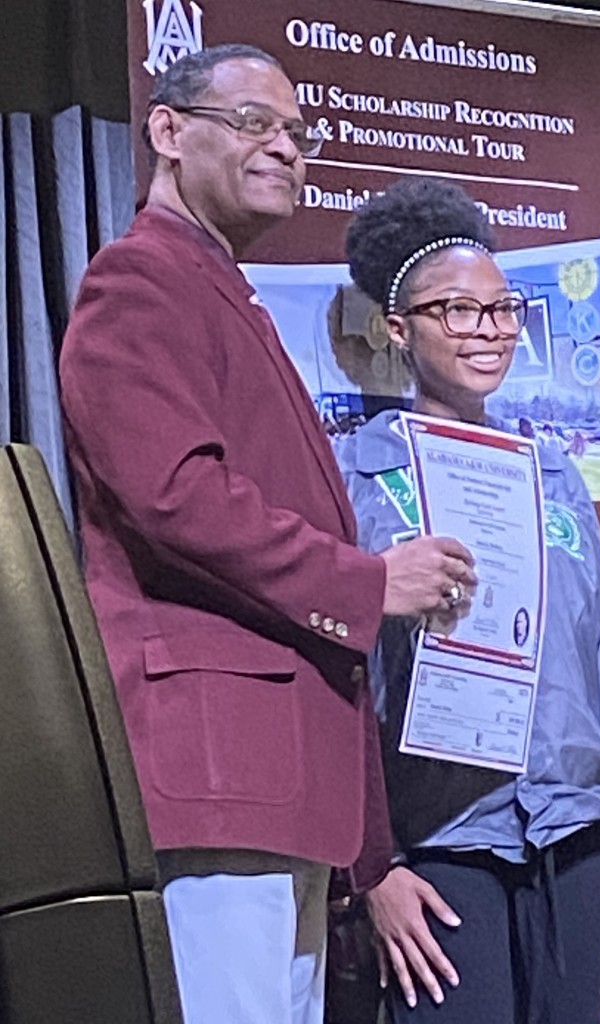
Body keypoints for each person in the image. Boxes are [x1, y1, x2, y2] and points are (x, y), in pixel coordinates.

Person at [59, 46, 475, 1024]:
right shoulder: (141, 279)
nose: (285, 148)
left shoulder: (222, 290)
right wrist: (369, 583)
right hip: (217, 771)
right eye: (254, 124)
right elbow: (174, 495)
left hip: (278, 788)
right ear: (168, 131)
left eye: (296, 133)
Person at [338, 177, 600, 1024]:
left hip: (575, 837)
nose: (486, 330)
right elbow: (337, 685)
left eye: (501, 309)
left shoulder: (556, 478)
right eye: (455, 310)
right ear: (398, 330)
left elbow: (598, 675)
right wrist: (369, 867)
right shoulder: (355, 481)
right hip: (441, 841)